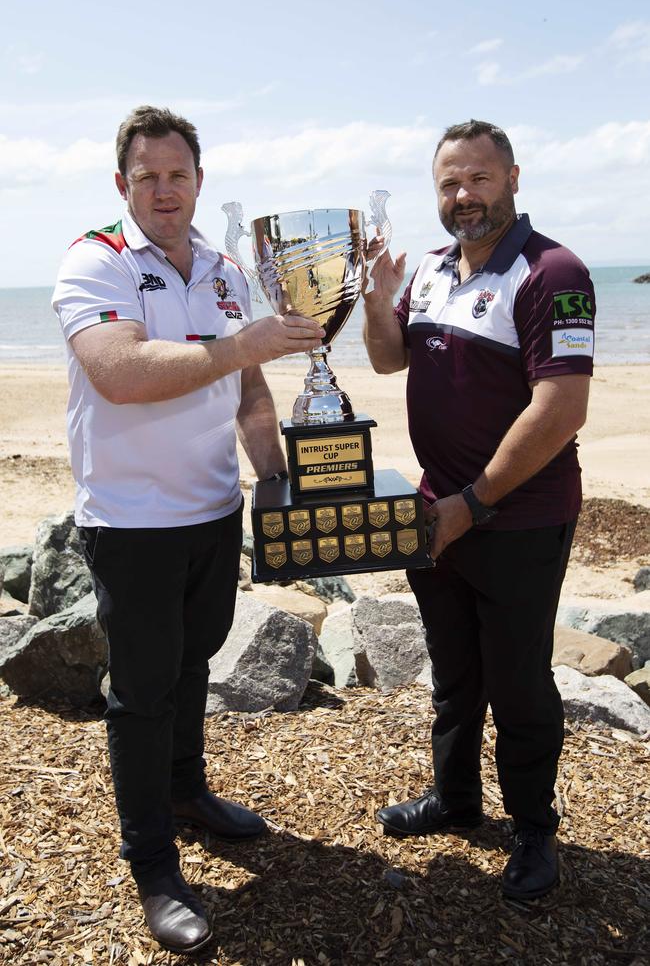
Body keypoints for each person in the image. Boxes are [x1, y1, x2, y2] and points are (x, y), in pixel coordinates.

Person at [52, 105, 325, 953]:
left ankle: (186, 792)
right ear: (121, 184)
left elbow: (247, 392)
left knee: (197, 657)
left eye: (178, 175)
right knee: (141, 694)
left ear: (199, 181)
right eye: (147, 177)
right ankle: (153, 864)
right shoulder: (93, 260)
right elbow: (121, 374)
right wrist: (243, 345)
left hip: (215, 509)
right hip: (131, 520)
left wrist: (275, 480)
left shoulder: (223, 267)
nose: (164, 190)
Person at [362, 120, 595, 901]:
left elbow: (561, 407)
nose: (464, 197)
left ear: (514, 178)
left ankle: (533, 829)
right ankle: (457, 800)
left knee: (520, 680)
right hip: (439, 511)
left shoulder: (553, 271)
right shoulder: (429, 270)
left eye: (479, 179)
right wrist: (375, 300)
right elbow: (389, 357)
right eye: (449, 184)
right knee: (455, 672)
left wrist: (473, 501)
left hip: (518, 517)